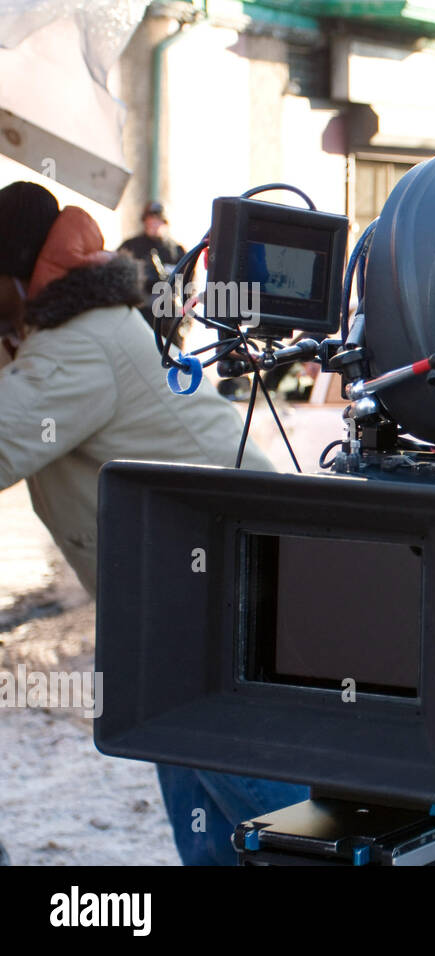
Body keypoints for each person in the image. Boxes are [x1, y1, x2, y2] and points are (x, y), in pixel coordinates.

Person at [0, 181, 307, 864]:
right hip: (189, 590)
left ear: (14, 275)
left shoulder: (77, 346)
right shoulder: (67, 331)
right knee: (201, 797)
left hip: (213, 592)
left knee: (262, 804)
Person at [118, 200, 185, 308]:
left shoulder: (176, 251)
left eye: (157, 220)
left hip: (166, 310)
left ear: (164, 222)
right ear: (145, 221)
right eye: (150, 219)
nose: (153, 224)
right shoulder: (130, 246)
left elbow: (187, 284)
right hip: (136, 306)